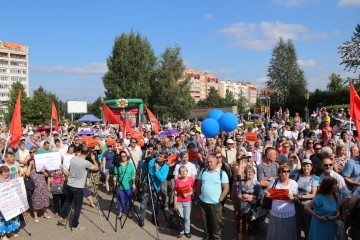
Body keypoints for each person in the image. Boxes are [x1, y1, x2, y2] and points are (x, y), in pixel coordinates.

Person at [57, 146, 99, 231]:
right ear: (88, 153)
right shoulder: (86, 163)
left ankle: (62, 216)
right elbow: (96, 168)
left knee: (68, 201)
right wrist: (93, 159)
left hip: (69, 185)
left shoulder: (73, 158)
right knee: (77, 207)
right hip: (78, 187)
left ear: (80, 151)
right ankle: (75, 225)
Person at [197, 155, 229, 240]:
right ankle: (207, 236)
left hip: (215, 204)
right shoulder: (203, 171)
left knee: (216, 224)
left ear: (216, 162)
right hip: (203, 202)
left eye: (211, 161)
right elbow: (199, 183)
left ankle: (216, 238)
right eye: (207, 162)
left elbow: (226, 188)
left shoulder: (221, 173)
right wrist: (199, 195)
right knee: (205, 222)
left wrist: (221, 198)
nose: (209, 163)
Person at [264, 164, 298, 240]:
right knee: (275, 233)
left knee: (287, 233)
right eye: (284, 171)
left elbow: (297, 198)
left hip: (288, 212)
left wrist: (293, 197)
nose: (286, 173)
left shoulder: (293, 183)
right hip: (275, 211)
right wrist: (266, 193)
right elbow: (267, 190)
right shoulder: (274, 181)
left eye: (288, 171)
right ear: (279, 173)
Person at [138, 151, 169, 227]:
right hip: (146, 183)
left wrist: (157, 170)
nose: (158, 157)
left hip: (156, 187)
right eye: (159, 155)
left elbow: (162, 179)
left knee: (155, 203)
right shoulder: (152, 160)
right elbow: (141, 166)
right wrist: (146, 161)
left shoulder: (166, 167)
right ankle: (141, 218)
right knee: (143, 202)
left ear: (165, 159)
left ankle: (154, 218)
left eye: (161, 156)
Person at [293, 159, 319, 240]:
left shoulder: (314, 178)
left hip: (307, 206)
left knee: (308, 226)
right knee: (296, 226)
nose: (306, 167)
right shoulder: (297, 176)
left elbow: (313, 195)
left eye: (308, 166)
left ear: (311, 167)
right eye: (304, 165)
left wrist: (301, 197)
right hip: (296, 204)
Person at [237, 166, 263, 240]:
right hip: (242, 208)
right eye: (248, 172)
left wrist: (248, 196)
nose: (250, 173)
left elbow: (260, 197)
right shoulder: (241, 183)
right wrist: (249, 199)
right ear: (245, 173)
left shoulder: (257, 184)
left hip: (252, 210)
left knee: (252, 229)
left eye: (251, 171)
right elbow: (239, 195)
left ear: (254, 173)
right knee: (241, 227)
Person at [25, 156, 51, 223]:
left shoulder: (39, 169)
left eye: (34, 163)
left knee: (45, 200)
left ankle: (45, 213)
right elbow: (27, 175)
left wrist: (43, 171)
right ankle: (35, 216)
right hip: (35, 189)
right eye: (32, 163)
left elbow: (47, 176)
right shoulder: (29, 170)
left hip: (43, 188)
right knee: (35, 202)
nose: (34, 164)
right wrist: (30, 165)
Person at [113, 151, 136, 219]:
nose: (124, 157)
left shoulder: (130, 165)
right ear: (120, 157)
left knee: (129, 200)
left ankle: (129, 212)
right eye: (122, 156)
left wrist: (134, 184)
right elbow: (115, 176)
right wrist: (115, 184)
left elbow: (133, 176)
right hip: (120, 186)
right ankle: (120, 213)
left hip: (129, 186)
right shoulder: (117, 166)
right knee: (121, 200)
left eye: (125, 155)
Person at [0, 165, 21, 239]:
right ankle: (3, 235)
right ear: (1, 173)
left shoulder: (11, 179)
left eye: (7, 172)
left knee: (11, 218)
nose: (6, 174)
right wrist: (5, 183)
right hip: (2, 204)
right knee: (2, 220)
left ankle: (11, 231)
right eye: (5, 172)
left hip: (11, 203)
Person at [174, 166, 194, 238]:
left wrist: (188, 194)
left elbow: (194, 189)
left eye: (184, 171)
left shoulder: (190, 179)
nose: (183, 172)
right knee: (180, 217)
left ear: (187, 171)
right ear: (179, 173)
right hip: (179, 201)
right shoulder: (177, 181)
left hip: (187, 201)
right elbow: (175, 192)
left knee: (187, 217)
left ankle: (187, 231)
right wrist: (175, 203)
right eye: (181, 171)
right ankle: (181, 231)